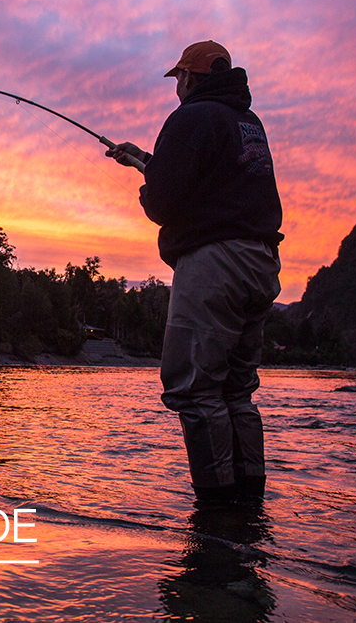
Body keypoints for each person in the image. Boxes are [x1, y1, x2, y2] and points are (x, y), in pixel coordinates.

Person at [107, 40, 284, 503]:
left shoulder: (192, 116)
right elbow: (212, 181)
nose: (177, 86)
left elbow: (163, 202)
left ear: (192, 77)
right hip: (260, 264)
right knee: (236, 393)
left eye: (179, 77)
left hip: (215, 266)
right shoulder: (246, 121)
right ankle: (249, 506)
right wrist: (145, 161)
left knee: (194, 390)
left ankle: (215, 515)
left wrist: (149, 188)